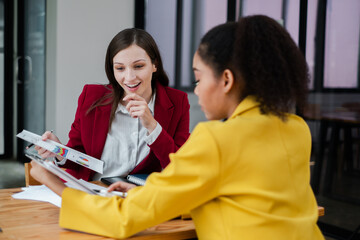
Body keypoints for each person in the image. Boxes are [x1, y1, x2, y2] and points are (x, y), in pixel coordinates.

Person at [30, 15, 324, 239]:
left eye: (199, 76)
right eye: (119, 67)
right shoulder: (296, 128)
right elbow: (241, 197)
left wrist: (54, 183)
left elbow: (124, 219)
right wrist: (145, 194)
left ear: (226, 80)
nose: (196, 89)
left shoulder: (216, 139)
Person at [35, 28, 190, 181]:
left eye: (138, 66)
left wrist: (152, 126)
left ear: (154, 65)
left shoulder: (177, 102)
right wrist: (59, 151)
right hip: (90, 192)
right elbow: (78, 158)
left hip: (138, 198)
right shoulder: (91, 96)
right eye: (120, 68)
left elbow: (179, 167)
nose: (129, 77)